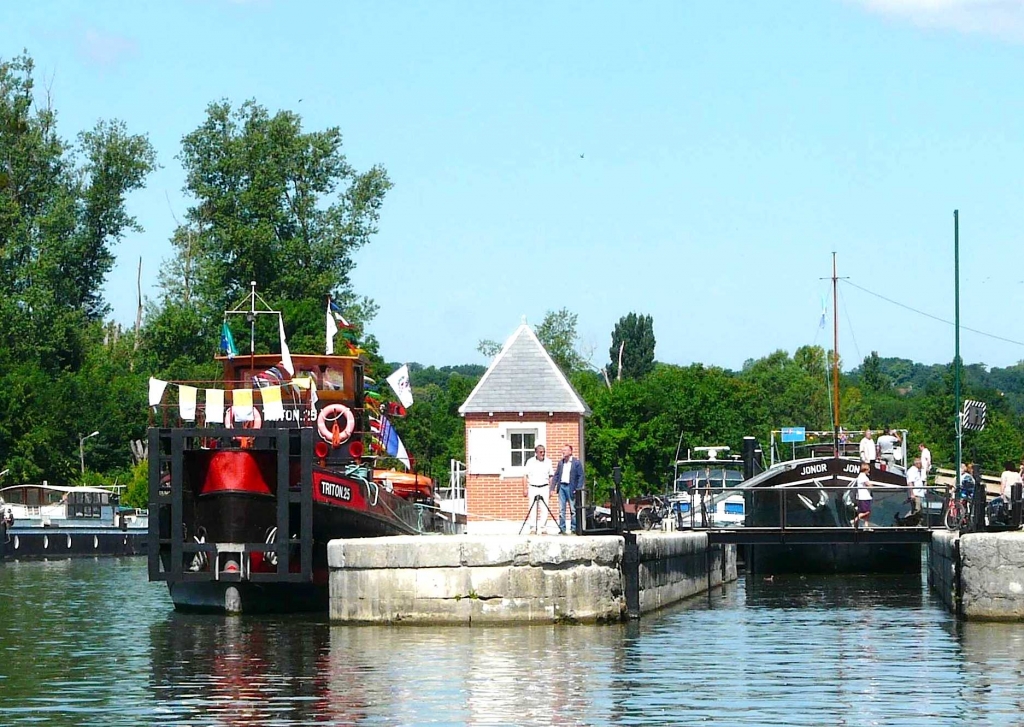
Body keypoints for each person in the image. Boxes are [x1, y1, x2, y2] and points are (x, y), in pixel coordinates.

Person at [552, 444, 584, 535]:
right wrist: (552, 487)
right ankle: (562, 528)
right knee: (561, 509)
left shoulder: (576, 463)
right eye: (563, 450)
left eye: (565, 450)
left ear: (570, 452)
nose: (563, 452)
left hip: (571, 487)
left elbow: (581, 476)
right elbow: (556, 475)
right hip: (562, 486)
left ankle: (574, 528)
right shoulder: (561, 463)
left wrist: (577, 488)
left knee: (573, 509)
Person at [522, 444, 554, 534]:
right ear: (536, 452)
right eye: (540, 452)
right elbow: (525, 475)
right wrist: (525, 488)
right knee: (532, 508)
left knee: (544, 508)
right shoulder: (530, 462)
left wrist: (551, 489)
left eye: (544, 452)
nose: (542, 453)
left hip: (544, 487)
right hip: (533, 487)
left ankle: (543, 527)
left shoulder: (548, 462)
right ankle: (533, 527)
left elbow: (551, 476)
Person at [851, 462, 873, 529]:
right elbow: (869, 485)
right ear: (866, 469)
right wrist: (872, 485)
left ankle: (866, 526)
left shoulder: (861, 476)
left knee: (865, 513)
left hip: (864, 496)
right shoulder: (863, 477)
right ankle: (855, 520)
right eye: (868, 469)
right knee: (867, 512)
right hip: (864, 497)